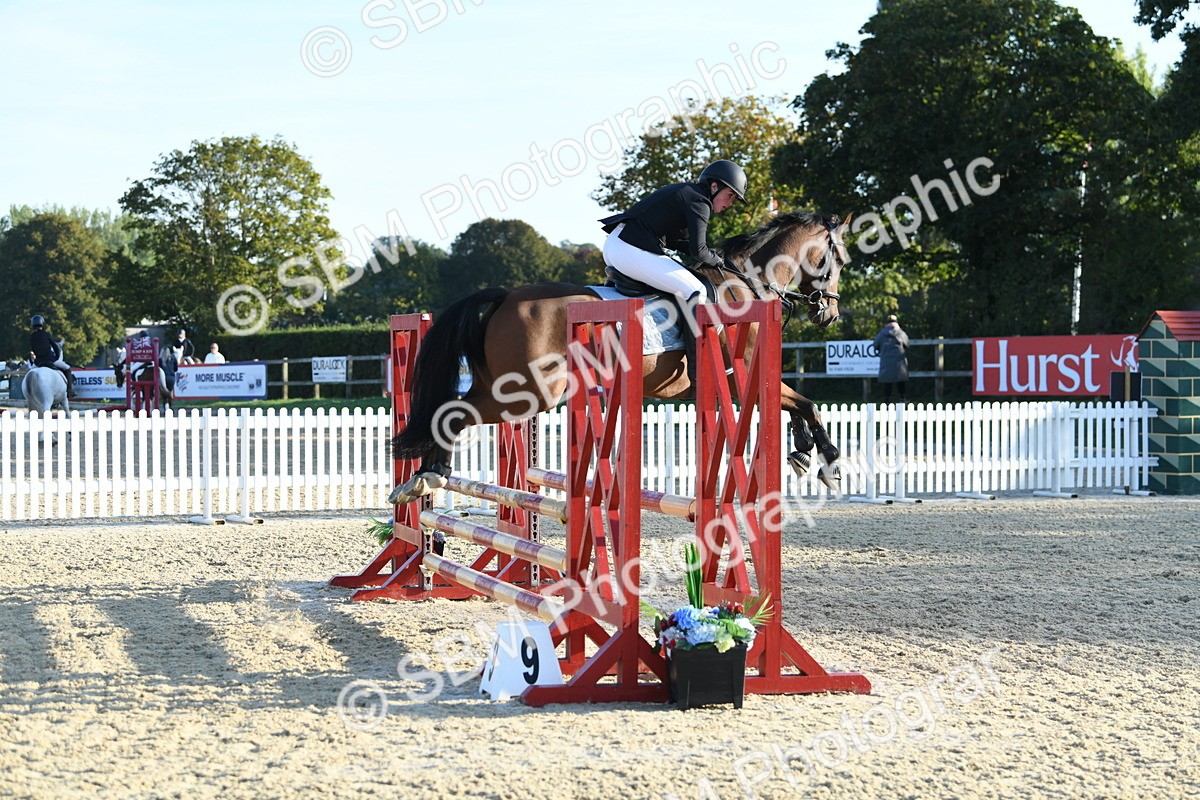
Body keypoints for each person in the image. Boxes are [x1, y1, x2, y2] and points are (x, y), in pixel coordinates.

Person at [598, 159, 746, 384]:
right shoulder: (699, 201)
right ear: (714, 186)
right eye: (731, 195)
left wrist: (711, 255)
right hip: (629, 248)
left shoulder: (689, 193)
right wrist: (715, 259)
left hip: (618, 245)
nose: (730, 203)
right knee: (695, 289)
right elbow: (699, 251)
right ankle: (698, 373)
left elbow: (679, 242)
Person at [29, 314, 75, 398]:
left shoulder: (31, 337)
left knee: (29, 374)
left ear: (32, 324)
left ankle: (28, 393)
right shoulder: (46, 334)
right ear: (42, 323)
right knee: (67, 368)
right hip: (50, 359)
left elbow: (34, 349)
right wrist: (57, 357)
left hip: (38, 362)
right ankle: (70, 390)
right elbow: (55, 346)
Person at [873, 314, 910, 402]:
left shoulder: (882, 334)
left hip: (886, 361)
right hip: (899, 362)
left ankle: (887, 399)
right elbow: (907, 344)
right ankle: (903, 398)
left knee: (887, 381)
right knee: (901, 381)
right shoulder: (901, 333)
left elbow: (875, 345)